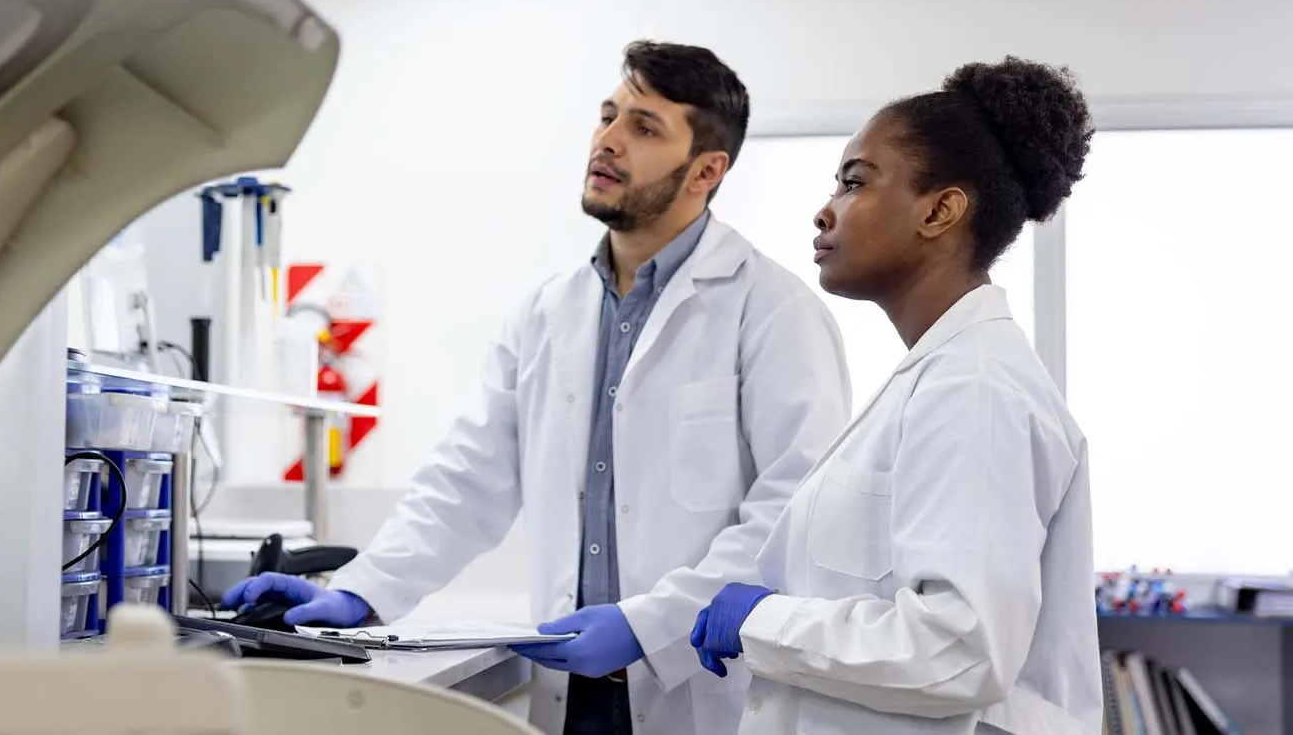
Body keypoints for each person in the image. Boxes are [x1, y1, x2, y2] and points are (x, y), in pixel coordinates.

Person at [223, 41, 853, 735]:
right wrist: (360, 590)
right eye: (608, 116)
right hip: (571, 690)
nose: (607, 141)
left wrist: (648, 624)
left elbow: (791, 515)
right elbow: (469, 481)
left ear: (706, 170)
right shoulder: (548, 314)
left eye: (643, 127)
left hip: (700, 695)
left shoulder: (771, 311)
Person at [687, 56, 1101, 734]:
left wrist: (761, 620)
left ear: (940, 211)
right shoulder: (940, 375)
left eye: (855, 182)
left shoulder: (976, 388)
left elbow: (959, 648)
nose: (825, 211)